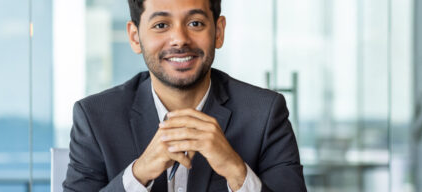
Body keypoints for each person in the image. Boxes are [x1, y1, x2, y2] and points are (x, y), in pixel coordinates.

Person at [62, 0, 306, 191]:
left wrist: (236, 171)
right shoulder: (95, 117)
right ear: (135, 37)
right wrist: (138, 174)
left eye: (195, 23)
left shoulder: (265, 112)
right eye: (161, 25)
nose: (179, 39)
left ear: (218, 32)